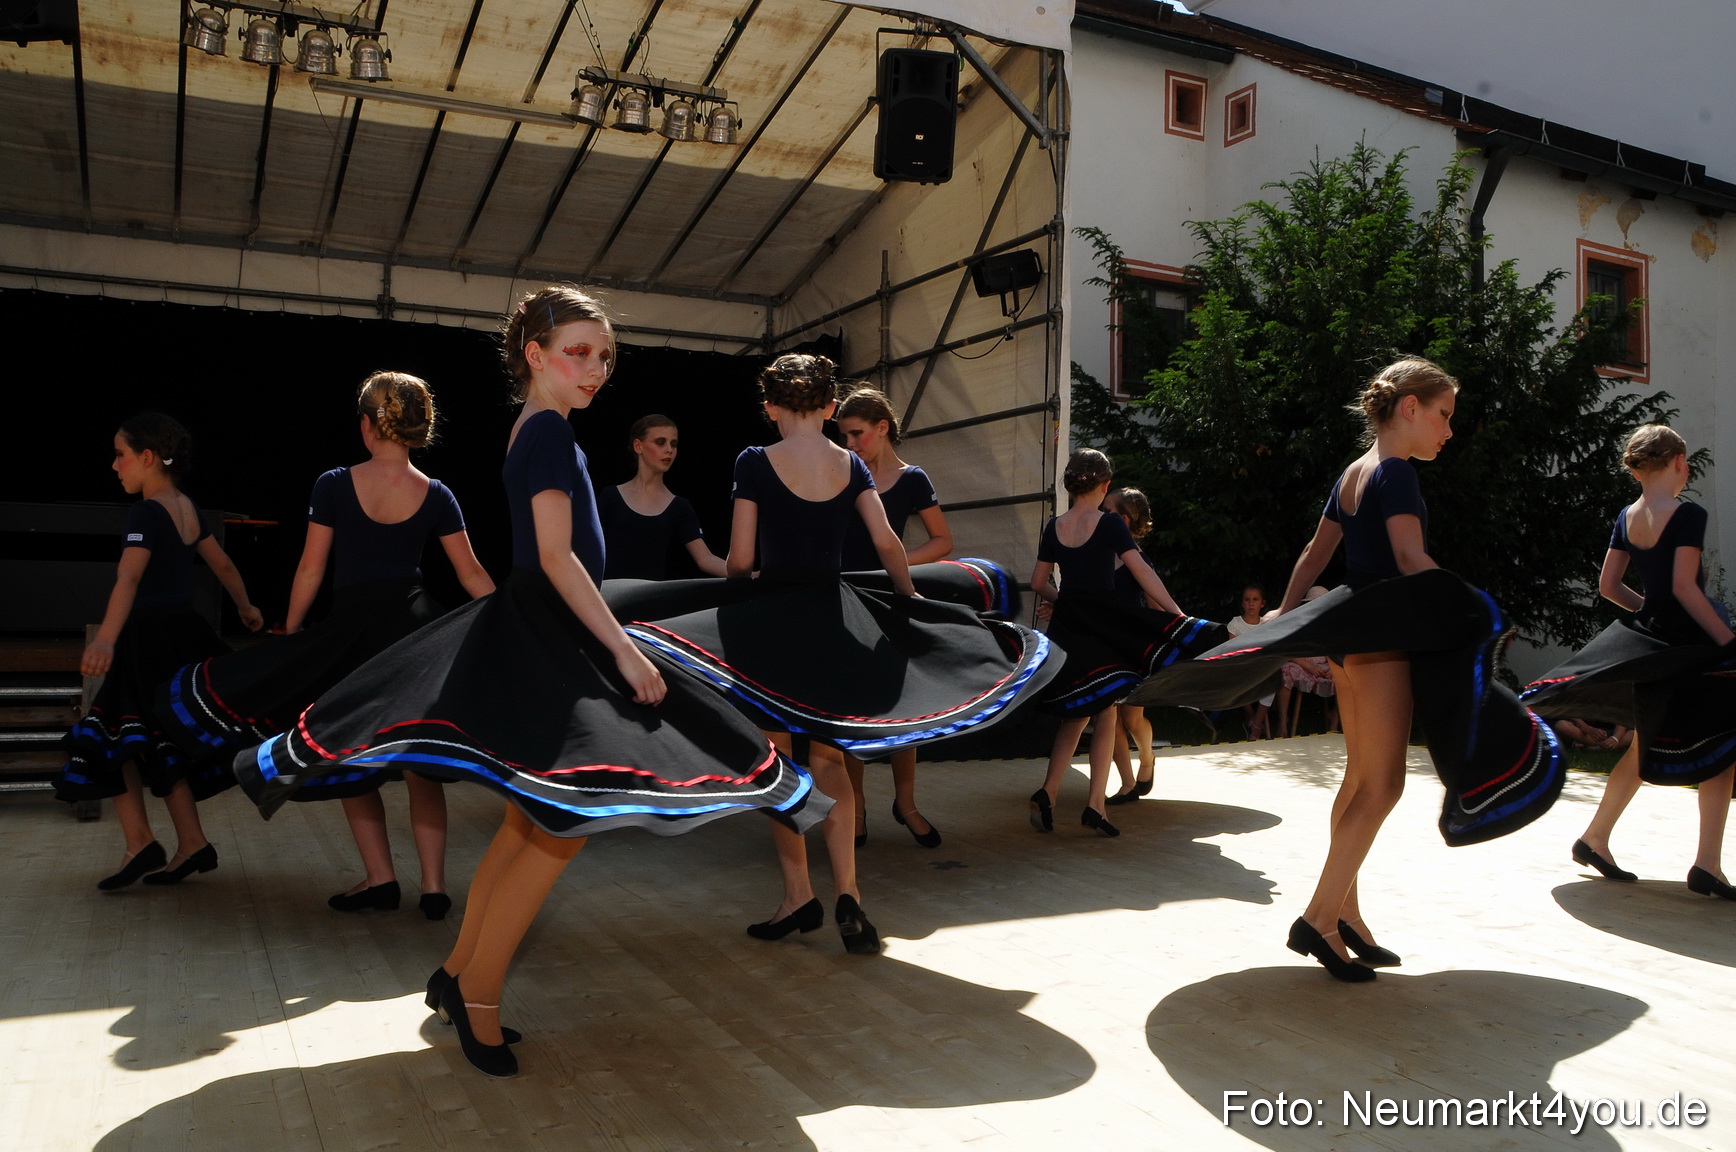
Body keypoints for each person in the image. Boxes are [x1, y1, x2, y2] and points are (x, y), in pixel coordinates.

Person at [232, 286, 824, 1078]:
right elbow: (554, 555)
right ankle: (476, 993)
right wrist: (624, 650)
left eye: (604, 354)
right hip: (553, 635)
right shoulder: (545, 430)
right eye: (578, 351)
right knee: (555, 829)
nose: (595, 367)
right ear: (535, 355)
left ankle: (458, 975)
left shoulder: (549, 430)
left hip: (552, 631)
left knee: (534, 827)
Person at [1130, 358, 1564, 982]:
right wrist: (1474, 602)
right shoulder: (1398, 475)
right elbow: (1411, 559)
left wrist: (1284, 614)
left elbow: (1315, 551)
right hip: (1381, 639)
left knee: (1361, 778)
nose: (1448, 430)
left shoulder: (1356, 472)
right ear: (1410, 408)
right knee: (1384, 785)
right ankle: (1318, 917)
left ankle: (1347, 915)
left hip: (1352, 637)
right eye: (1444, 415)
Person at [601, 355, 1055, 952]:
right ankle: (849, 895)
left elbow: (738, 558)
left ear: (770, 408)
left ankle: (798, 896)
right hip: (835, 619)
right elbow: (889, 542)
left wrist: (741, 589)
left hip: (774, 624)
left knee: (780, 764)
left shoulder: (755, 462)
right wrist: (910, 603)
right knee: (833, 763)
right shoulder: (849, 462)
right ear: (831, 407)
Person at [159, 372, 495, 918]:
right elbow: (472, 575)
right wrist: (509, 621)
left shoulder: (334, 483)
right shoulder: (437, 493)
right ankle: (434, 888)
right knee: (420, 762)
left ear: (366, 425)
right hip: (415, 632)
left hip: (352, 632)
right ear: (417, 426)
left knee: (347, 751)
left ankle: (381, 879)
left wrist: (291, 635)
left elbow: (312, 567)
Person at [1521, 425, 1736, 893]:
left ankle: (1596, 839)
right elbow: (1684, 587)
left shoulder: (1629, 515)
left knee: (1651, 740)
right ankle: (1706, 865)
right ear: (1679, 462)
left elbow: (1609, 587)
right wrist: (1728, 642)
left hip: (1651, 637)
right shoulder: (1688, 513)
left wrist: (1649, 614)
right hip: (1688, 642)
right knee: (1721, 741)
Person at [55, 412, 264, 888]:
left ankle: (142, 844)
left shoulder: (146, 512)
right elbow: (224, 566)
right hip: (181, 632)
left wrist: (106, 637)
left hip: (147, 636)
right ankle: (189, 843)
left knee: (111, 735)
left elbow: (129, 577)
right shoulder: (186, 507)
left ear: (147, 458)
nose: (115, 466)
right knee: (158, 738)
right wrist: (247, 607)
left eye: (120, 455)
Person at [1029, 450, 1219, 838]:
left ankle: (1049, 791)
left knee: (1076, 714)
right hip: (1103, 625)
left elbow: (1037, 582)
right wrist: (1176, 615)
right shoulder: (1109, 524)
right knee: (1107, 715)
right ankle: (1095, 805)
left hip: (1068, 627)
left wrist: (1063, 601)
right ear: (1104, 485)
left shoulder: (1054, 526)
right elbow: (1142, 571)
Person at [834, 385, 952, 847]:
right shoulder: (841, 472)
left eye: (857, 433)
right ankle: (857, 807)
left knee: (907, 707)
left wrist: (897, 563)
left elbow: (942, 541)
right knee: (853, 708)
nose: (851, 443)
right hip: (845, 598)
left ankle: (906, 805)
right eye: (845, 435)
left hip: (892, 596)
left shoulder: (913, 478)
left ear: (883, 428)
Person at [597, 414, 727, 580]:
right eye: (660, 442)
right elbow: (587, 547)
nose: (669, 450)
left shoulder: (679, 506)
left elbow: (705, 559)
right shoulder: (611, 496)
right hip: (609, 597)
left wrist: (750, 575)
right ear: (638, 446)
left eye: (674, 444)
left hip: (651, 600)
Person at [1103, 488, 1162, 804]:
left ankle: (1148, 757)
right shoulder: (1096, 554)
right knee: (1109, 715)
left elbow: (1156, 602)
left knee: (1132, 718)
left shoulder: (1138, 559)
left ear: (1122, 519)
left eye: (1107, 510)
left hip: (1134, 646)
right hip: (1105, 644)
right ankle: (1127, 785)